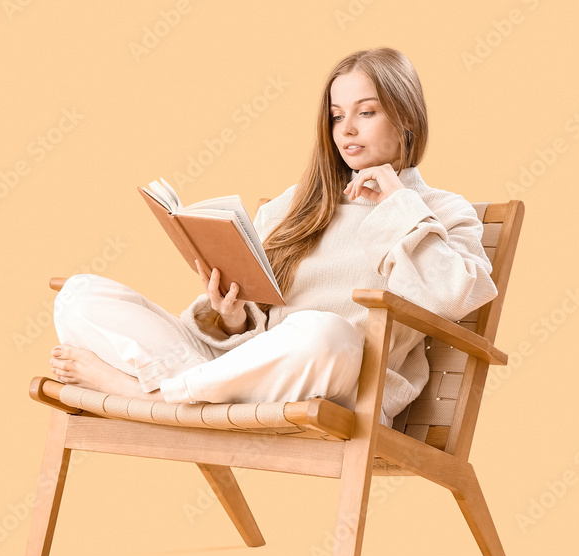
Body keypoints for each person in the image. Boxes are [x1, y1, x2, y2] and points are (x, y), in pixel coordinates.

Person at [48, 47, 498, 429]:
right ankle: (190, 399)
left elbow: (452, 295)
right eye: (337, 116)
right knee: (80, 294)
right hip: (250, 381)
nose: (347, 129)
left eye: (366, 112)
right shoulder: (292, 205)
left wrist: (397, 204)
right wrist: (233, 318)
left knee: (324, 330)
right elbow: (256, 325)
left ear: (406, 118)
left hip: (341, 384)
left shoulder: (440, 209)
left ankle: (151, 399)